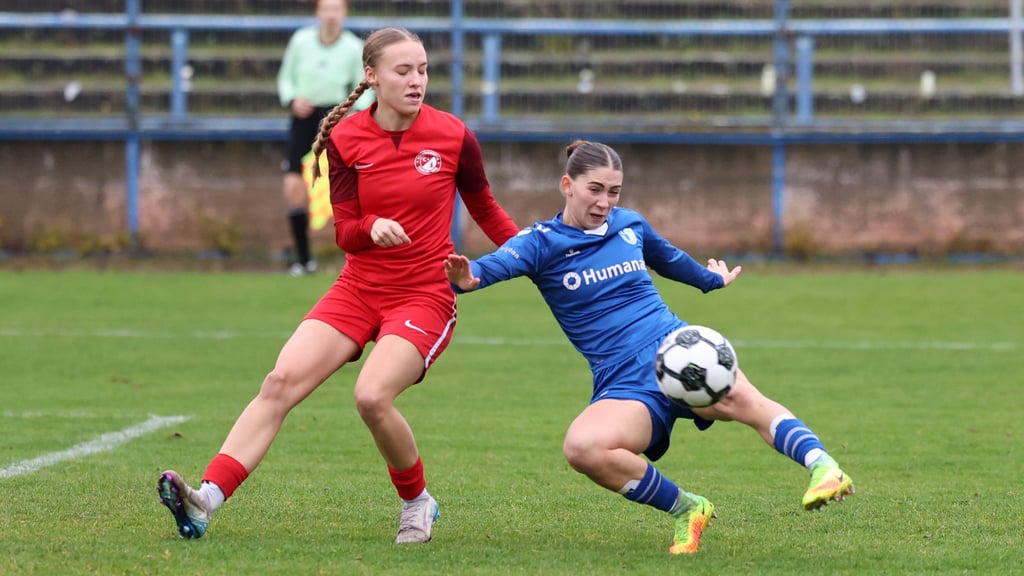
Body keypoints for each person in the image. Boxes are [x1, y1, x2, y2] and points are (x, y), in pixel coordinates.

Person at [158, 27, 521, 544]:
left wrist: (534, 252)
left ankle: (417, 502)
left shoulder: (454, 135)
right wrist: (371, 227)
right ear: (371, 76)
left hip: (423, 294)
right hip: (358, 288)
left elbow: (484, 206)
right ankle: (205, 502)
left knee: (372, 397)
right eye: (403, 71)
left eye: (422, 70)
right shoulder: (345, 139)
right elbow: (346, 231)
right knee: (278, 383)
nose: (416, 80)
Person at [444, 140, 854, 555]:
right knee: (584, 448)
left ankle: (824, 467)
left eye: (614, 191)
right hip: (622, 380)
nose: (605, 201)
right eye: (595, 189)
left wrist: (711, 280)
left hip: (675, 346)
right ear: (567, 185)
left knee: (744, 400)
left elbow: (671, 259)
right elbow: (488, 269)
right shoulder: (540, 243)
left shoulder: (630, 225)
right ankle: (687, 508)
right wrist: (467, 277)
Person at [277, 0, 374, 276]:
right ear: (318, 12)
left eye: (337, 9)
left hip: (337, 119)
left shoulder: (354, 47)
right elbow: (286, 78)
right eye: (326, 9)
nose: (331, 15)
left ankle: (361, 260)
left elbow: (366, 87)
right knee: (293, 185)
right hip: (304, 118)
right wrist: (293, 98)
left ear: (344, 13)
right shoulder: (301, 41)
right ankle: (304, 260)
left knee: (354, 187)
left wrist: (351, 111)